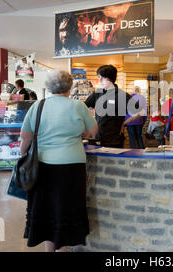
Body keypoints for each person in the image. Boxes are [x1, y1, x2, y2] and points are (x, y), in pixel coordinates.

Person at [20, 70, 98, 252]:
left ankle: (50, 250)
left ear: (49, 87)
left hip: (43, 165)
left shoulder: (38, 106)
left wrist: (23, 156)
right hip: (72, 166)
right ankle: (62, 250)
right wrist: (80, 133)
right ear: (70, 87)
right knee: (66, 209)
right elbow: (93, 131)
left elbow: (25, 137)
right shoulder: (78, 106)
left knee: (46, 209)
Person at [84, 65, 143, 148]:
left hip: (114, 141)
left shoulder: (122, 95)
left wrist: (124, 122)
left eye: (103, 78)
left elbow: (140, 111)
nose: (100, 80)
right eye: (99, 77)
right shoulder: (97, 93)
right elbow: (83, 107)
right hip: (97, 139)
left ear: (110, 79)